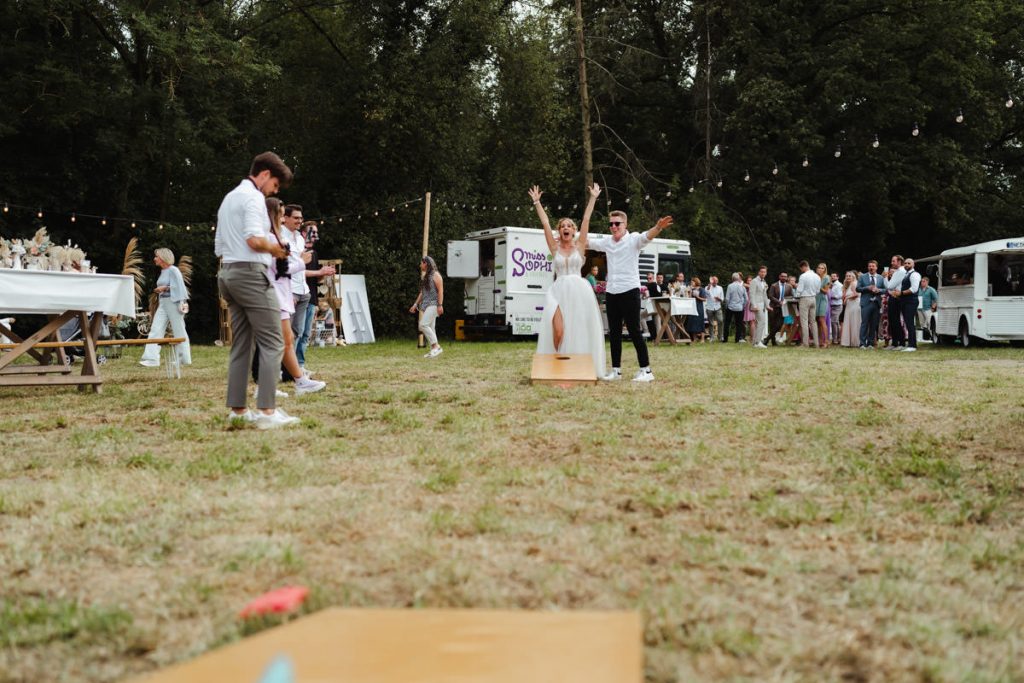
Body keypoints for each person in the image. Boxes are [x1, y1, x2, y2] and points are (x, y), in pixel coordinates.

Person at [215, 151, 299, 429]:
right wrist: (276, 249)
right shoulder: (253, 198)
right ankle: (266, 411)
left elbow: (219, 245)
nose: (273, 191)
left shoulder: (229, 198)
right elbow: (253, 239)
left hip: (227, 272)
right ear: (264, 175)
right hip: (250, 274)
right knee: (274, 340)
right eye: (275, 185)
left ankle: (238, 410)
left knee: (242, 343)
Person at [526, 183, 605, 377]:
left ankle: (576, 367)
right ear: (559, 231)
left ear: (574, 230)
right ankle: (554, 363)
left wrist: (593, 197)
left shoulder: (580, 247)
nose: (566, 228)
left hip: (579, 291)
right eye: (563, 226)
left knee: (577, 329)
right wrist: (537, 202)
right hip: (558, 291)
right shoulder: (554, 248)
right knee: (559, 330)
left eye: (569, 225)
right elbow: (545, 224)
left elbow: (586, 219)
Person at [587, 207, 673, 382]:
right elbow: (586, 242)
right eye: (611, 224)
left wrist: (658, 227)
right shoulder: (607, 241)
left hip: (630, 291)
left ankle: (646, 371)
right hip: (612, 292)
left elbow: (647, 236)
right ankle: (616, 371)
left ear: (625, 224)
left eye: (617, 223)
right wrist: (567, 238)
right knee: (614, 333)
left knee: (634, 330)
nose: (613, 226)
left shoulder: (633, 239)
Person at [266, 198, 328, 393]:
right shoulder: (270, 239)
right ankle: (287, 380)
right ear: (278, 217)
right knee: (280, 340)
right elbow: (279, 270)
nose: (297, 221)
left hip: (291, 292)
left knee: (290, 338)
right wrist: (302, 262)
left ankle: (296, 378)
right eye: (283, 216)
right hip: (278, 293)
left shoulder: (289, 239)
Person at [139, 248, 192, 368]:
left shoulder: (174, 270)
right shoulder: (164, 271)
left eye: (156, 256)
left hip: (174, 303)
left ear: (163, 258)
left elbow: (180, 288)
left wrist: (165, 288)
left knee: (179, 330)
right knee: (155, 329)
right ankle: (151, 359)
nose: (154, 258)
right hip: (163, 303)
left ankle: (184, 359)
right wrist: (163, 289)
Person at [296, 221, 337, 356]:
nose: (315, 235)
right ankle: (289, 368)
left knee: (306, 334)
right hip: (299, 296)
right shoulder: (299, 251)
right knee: (297, 333)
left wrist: (325, 273)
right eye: (313, 232)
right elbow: (299, 272)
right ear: (303, 233)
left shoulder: (314, 253)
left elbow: (315, 278)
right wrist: (319, 272)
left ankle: (300, 366)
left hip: (312, 298)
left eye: (316, 233)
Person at [410, 255, 444, 358]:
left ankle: (436, 346)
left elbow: (441, 291)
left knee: (423, 325)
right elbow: (422, 293)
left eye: (421, 263)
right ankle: (433, 351)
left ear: (425, 263)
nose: (420, 265)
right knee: (431, 327)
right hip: (427, 305)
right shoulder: (426, 276)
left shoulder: (436, 275)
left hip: (434, 304)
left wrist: (440, 305)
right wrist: (415, 304)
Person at [892, 257, 922, 352]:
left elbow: (914, 289)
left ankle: (912, 345)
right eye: (905, 263)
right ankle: (910, 344)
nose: (906, 265)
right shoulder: (906, 274)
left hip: (911, 301)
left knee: (909, 323)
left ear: (913, 265)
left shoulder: (915, 274)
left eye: (909, 263)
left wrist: (900, 293)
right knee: (907, 322)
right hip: (905, 301)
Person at [856, 260, 885, 349]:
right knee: (864, 323)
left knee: (873, 324)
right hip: (866, 303)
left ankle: (870, 343)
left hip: (876, 303)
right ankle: (862, 343)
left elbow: (886, 289)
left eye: (873, 266)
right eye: (869, 266)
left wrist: (879, 290)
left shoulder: (881, 278)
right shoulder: (862, 277)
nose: (871, 268)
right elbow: (858, 288)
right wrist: (867, 288)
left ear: (876, 267)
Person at [796, 261, 820, 348]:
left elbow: (799, 289)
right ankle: (816, 343)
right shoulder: (817, 276)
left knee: (804, 321)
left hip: (805, 298)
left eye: (801, 269)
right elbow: (818, 290)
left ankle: (805, 343)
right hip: (813, 298)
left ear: (804, 267)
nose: (801, 270)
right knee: (813, 321)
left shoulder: (803, 276)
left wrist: (797, 295)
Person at [884, 255, 906, 349]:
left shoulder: (900, 271)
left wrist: (885, 277)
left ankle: (900, 343)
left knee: (895, 320)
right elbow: (890, 288)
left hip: (897, 297)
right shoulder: (898, 271)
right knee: (893, 320)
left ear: (899, 261)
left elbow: (889, 286)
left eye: (893, 261)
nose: (891, 263)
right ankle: (895, 343)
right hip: (894, 296)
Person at [749, 266, 770, 348]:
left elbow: (765, 295)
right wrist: (754, 305)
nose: (763, 273)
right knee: (762, 322)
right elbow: (751, 294)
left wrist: (767, 305)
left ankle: (755, 342)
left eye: (764, 272)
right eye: (761, 272)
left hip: (762, 306)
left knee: (759, 323)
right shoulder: (754, 281)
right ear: (758, 272)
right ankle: (758, 342)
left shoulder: (764, 282)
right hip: (756, 305)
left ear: (766, 273)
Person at [723, 272, 747, 343]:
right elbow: (746, 298)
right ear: (739, 278)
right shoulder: (742, 287)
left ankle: (725, 339)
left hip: (730, 307)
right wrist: (743, 305)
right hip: (740, 308)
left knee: (727, 323)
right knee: (739, 324)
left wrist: (726, 306)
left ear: (732, 278)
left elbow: (727, 298)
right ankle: (737, 340)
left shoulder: (730, 286)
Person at [768, 271, 790, 345]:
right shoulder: (774, 285)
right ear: (779, 277)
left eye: (785, 276)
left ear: (787, 278)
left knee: (779, 325)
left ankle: (766, 339)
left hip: (783, 308)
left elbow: (791, 296)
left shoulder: (789, 286)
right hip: (773, 307)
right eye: (782, 276)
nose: (784, 278)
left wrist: (785, 301)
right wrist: (779, 302)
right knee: (772, 325)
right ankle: (773, 342)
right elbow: (770, 296)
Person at [840, 271, 861, 347]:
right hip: (850, 306)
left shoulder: (854, 283)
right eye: (847, 276)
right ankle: (850, 341)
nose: (848, 277)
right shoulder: (849, 285)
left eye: (850, 276)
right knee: (850, 322)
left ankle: (855, 341)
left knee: (854, 322)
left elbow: (857, 294)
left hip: (854, 305)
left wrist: (847, 298)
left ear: (853, 277)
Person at [685, 276, 707, 342]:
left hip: (699, 307)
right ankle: (694, 338)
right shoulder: (692, 289)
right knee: (692, 322)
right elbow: (689, 298)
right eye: (691, 282)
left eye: (692, 282)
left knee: (700, 322)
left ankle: (702, 339)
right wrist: (689, 293)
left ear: (696, 282)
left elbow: (704, 299)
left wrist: (697, 297)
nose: (691, 283)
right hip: (692, 307)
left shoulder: (701, 289)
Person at [814, 263, 831, 348]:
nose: (820, 269)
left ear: (825, 269)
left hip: (823, 300)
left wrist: (817, 287)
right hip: (816, 300)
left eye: (822, 268)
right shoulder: (815, 277)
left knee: (822, 320)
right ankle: (820, 341)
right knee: (817, 321)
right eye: (819, 268)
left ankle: (826, 341)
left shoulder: (826, 277)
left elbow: (826, 291)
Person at [918, 276, 938, 341]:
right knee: (922, 324)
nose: (922, 283)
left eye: (923, 281)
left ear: (927, 282)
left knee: (929, 323)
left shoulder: (931, 289)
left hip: (928, 309)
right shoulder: (919, 289)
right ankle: (925, 337)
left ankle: (932, 337)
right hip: (919, 309)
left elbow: (936, 299)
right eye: (921, 281)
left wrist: (933, 307)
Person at [705, 275, 724, 342]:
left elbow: (722, 299)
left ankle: (720, 336)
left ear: (717, 281)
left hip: (718, 307)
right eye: (713, 280)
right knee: (710, 323)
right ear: (711, 281)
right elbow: (706, 293)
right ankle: (712, 337)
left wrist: (719, 299)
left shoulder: (720, 288)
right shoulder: (707, 287)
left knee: (721, 321)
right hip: (709, 307)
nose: (715, 282)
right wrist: (709, 286)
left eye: (716, 280)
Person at [829, 272, 844, 343]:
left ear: (837, 277)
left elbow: (839, 296)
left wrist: (830, 295)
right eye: (832, 276)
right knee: (834, 322)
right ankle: (837, 338)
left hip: (837, 305)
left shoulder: (839, 285)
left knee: (834, 322)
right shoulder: (831, 285)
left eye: (834, 276)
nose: (833, 278)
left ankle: (836, 339)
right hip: (831, 305)